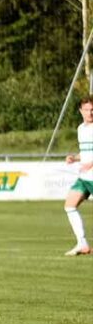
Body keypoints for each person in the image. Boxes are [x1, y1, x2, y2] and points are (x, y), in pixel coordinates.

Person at [63, 96, 93, 256]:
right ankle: (82, 244)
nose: (90, 112)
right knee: (69, 205)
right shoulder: (81, 128)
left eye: (92, 109)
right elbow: (86, 152)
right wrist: (74, 158)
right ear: (81, 111)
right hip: (85, 177)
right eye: (87, 109)